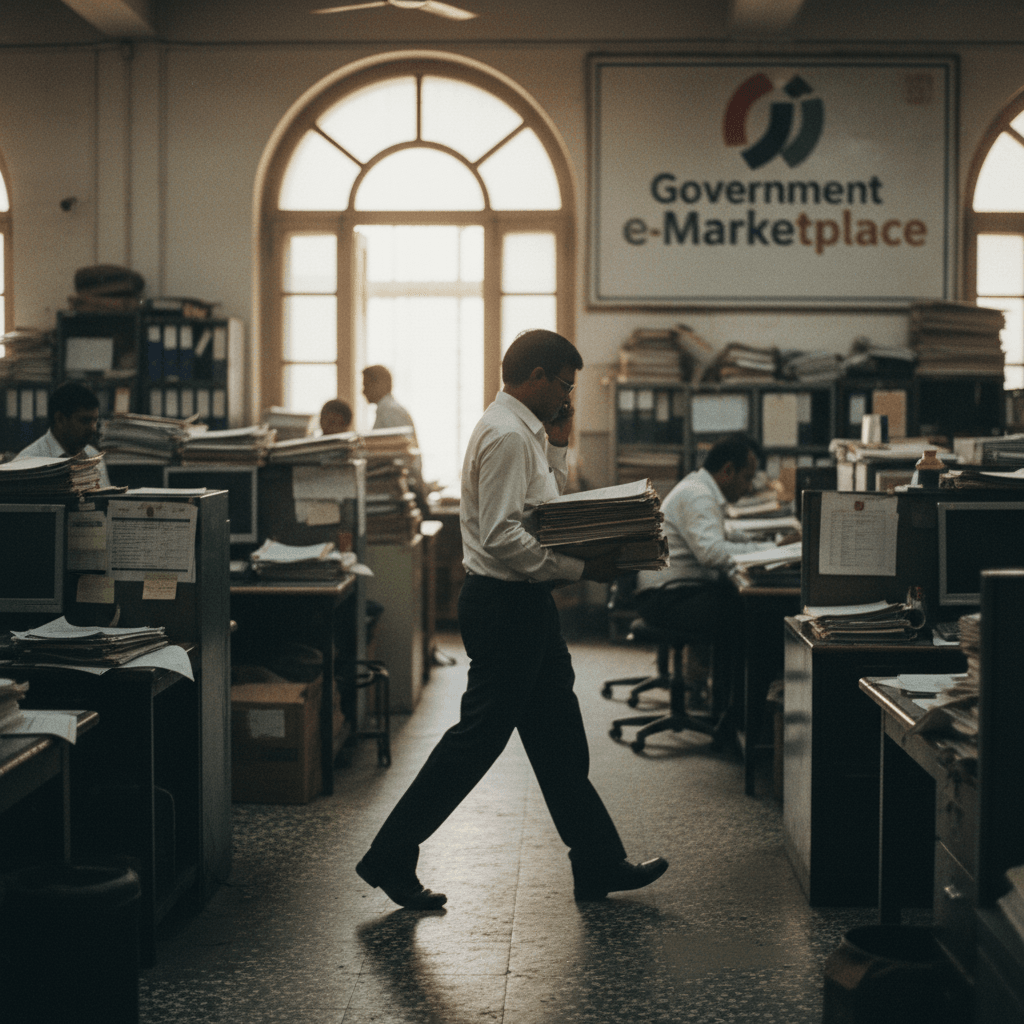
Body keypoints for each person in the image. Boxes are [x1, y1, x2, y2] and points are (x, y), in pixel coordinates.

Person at [355, 329, 668, 910]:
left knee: (559, 740)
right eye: (564, 386)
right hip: (505, 606)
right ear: (536, 377)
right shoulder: (503, 435)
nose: (567, 398)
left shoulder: (528, 434)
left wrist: (560, 442)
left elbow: (546, 508)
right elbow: (503, 536)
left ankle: (597, 862)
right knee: (476, 743)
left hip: (525, 607)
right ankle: (390, 855)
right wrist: (580, 569)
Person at [633, 433, 790, 717]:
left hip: (673, 591)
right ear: (727, 470)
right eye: (746, 477)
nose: (748, 487)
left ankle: (733, 708)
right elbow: (711, 553)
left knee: (748, 610)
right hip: (667, 598)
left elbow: (724, 534)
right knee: (755, 618)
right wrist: (772, 551)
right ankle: (738, 714)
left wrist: (773, 546)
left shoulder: (700, 489)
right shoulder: (698, 495)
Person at [15, 381, 111, 489]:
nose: (93, 429)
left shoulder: (93, 456)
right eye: (85, 420)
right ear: (60, 419)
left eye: (95, 421)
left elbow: (106, 502)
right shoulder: (26, 462)